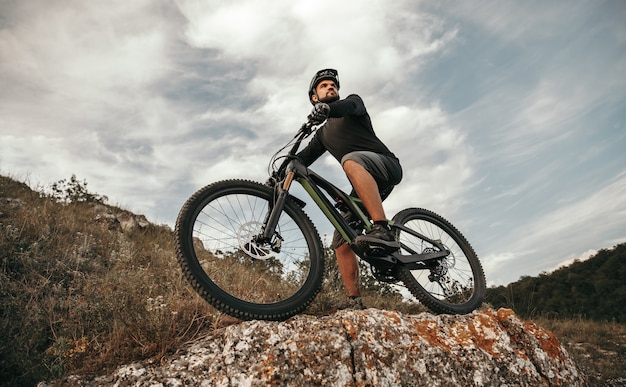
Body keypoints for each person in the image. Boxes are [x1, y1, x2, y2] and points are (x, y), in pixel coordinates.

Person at [296, 69, 403, 309]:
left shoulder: (352, 104)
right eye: (323, 86)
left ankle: (382, 228)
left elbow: (348, 107)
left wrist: (328, 110)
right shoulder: (323, 134)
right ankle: (354, 301)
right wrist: (282, 170)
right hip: (363, 181)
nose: (330, 87)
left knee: (350, 160)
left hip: (386, 166)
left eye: (332, 84)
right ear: (314, 97)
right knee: (342, 240)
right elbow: (303, 158)